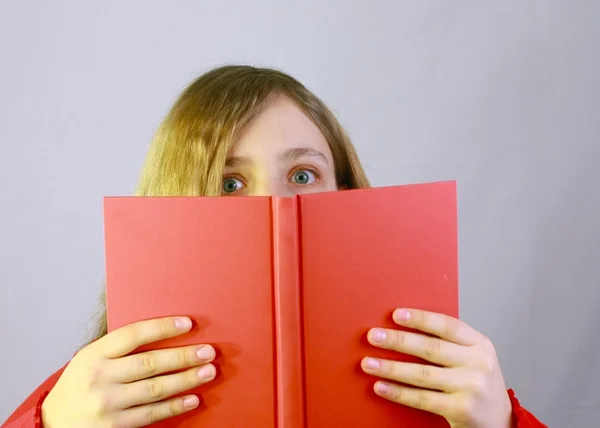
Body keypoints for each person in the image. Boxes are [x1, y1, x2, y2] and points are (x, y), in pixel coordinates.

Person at [2, 65, 547, 428]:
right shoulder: (91, 394)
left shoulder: (438, 380)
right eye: (229, 182)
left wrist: (502, 424)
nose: (273, 205)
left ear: (347, 192)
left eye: (304, 175)